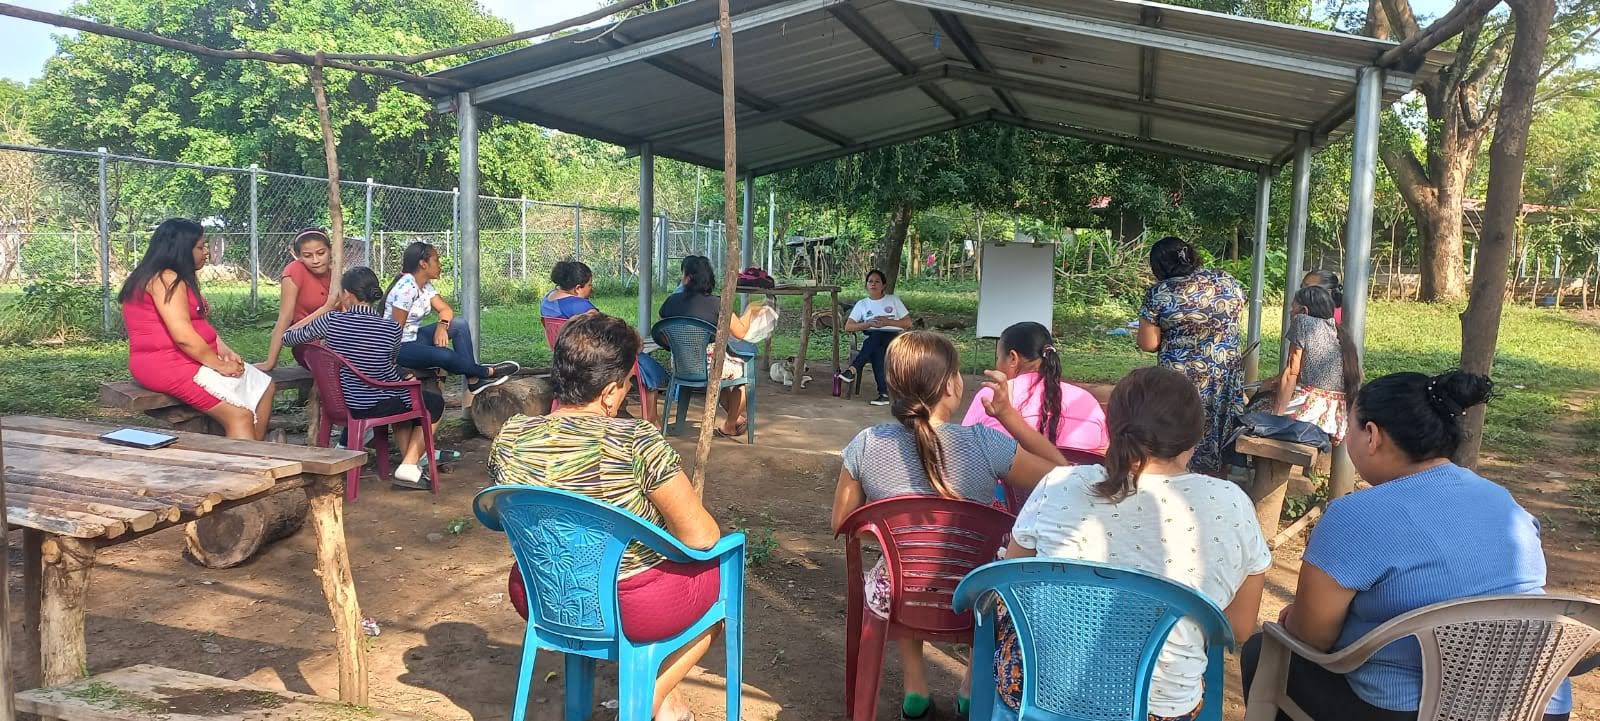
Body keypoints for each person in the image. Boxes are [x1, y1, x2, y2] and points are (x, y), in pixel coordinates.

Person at [1240, 370, 1573, 721]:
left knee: (1263, 652)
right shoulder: (1504, 502)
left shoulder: (1354, 517)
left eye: (1348, 427)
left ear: (1372, 435)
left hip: (1412, 712)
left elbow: (1312, 638)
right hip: (1536, 706)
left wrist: (1295, 619)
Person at [994, 365, 1270, 720]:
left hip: (1039, 693)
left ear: (1111, 425)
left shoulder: (1058, 484)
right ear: (1194, 437)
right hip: (1161, 707)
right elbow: (1239, 627)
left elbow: (1011, 578)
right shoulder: (1231, 504)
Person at [489, 313, 725, 721]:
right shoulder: (636, 441)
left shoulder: (509, 437)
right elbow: (701, 537)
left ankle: (667, 705)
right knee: (717, 588)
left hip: (542, 593)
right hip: (630, 603)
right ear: (612, 392)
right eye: (629, 383)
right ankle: (648, 699)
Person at [830, 331, 1067, 720]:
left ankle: (915, 690)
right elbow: (1061, 474)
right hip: (974, 595)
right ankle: (972, 689)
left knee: (897, 567)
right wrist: (1009, 417)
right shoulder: (985, 443)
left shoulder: (867, 444)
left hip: (901, 594)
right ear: (952, 385)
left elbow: (841, 522)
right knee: (992, 569)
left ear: (892, 387)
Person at [283, 266, 442, 490]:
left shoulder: (330, 320)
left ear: (346, 294)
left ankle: (409, 466)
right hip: (376, 403)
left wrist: (325, 308)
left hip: (340, 401)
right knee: (433, 403)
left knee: (403, 398)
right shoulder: (391, 329)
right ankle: (409, 464)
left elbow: (288, 338)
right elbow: (389, 364)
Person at [119, 218, 276, 440]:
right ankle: (244, 469)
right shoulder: (165, 278)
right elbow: (183, 336)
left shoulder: (177, 277)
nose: (206, 253)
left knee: (264, 386)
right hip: (166, 364)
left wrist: (225, 351)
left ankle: (255, 454)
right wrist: (220, 365)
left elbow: (198, 323)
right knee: (239, 416)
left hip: (190, 359)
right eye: (200, 247)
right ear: (182, 249)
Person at [1137, 236, 1245, 475]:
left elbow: (1148, 343)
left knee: (1179, 427)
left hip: (1179, 380)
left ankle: (1179, 478)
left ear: (1159, 266)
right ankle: (1218, 479)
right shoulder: (1227, 281)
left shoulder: (1160, 293)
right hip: (1222, 376)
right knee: (1219, 429)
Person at [385, 241, 519, 395]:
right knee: (444, 354)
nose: (440, 264)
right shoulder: (406, 289)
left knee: (459, 324)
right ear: (423, 264)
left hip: (413, 338)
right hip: (397, 348)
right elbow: (394, 331)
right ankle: (486, 372)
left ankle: (474, 380)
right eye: (436, 260)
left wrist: (442, 326)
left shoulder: (424, 285)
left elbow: (445, 309)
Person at [962, 321, 1109, 454]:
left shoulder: (993, 396)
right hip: (1081, 483)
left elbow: (964, 451)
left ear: (1013, 358)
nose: (997, 364)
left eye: (998, 358)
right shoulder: (1086, 400)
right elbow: (1103, 457)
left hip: (1012, 483)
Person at [657, 255, 764, 438]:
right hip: (711, 368)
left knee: (724, 375)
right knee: (744, 371)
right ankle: (730, 424)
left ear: (688, 277)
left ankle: (735, 419)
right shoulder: (717, 303)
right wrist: (752, 310)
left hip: (680, 365)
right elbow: (740, 332)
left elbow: (662, 333)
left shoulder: (670, 302)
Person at [1272, 286, 1361, 443]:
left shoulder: (1302, 322)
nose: (1290, 313)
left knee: (1257, 408)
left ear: (1304, 311)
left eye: (1292, 309)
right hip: (1334, 417)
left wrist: (1275, 418)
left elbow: (1292, 372)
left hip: (1310, 410)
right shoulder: (1337, 330)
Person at [262, 228, 336, 370]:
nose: (316, 260)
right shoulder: (295, 271)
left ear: (330, 250)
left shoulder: (336, 274)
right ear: (298, 256)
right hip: (309, 343)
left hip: (338, 340)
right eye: (308, 256)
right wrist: (270, 362)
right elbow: (285, 317)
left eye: (321, 253)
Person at [837, 269, 913, 406]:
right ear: (866, 285)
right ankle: (883, 394)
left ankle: (853, 369)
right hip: (873, 337)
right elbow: (848, 327)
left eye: (877, 281)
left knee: (876, 338)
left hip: (893, 338)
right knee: (877, 347)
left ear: (884, 285)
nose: (873, 284)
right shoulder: (862, 304)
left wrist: (887, 322)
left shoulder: (893, 300)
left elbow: (908, 323)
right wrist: (868, 324)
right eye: (870, 281)